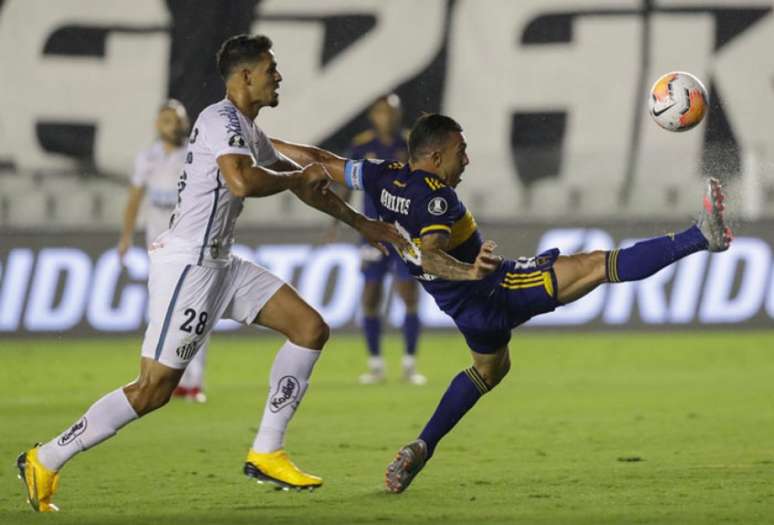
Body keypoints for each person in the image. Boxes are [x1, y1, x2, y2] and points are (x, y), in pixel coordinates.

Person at [16, 34, 402, 512]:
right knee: (153, 390)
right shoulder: (218, 119)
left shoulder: (248, 129)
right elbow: (242, 181)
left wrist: (364, 224)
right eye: (270, 69)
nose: (278, 76)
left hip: (221, 262)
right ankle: (45, 457)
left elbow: (303, 183)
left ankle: (267, 450)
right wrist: (295, 178)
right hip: (189, 266)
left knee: (309, 328)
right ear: (245, 76)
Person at [270, 113, 733, 494]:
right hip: (496, 289)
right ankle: (700, 236)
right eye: (459, 151)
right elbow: (431, 251)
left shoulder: (382, 176)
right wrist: (469, 270)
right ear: (434, 156)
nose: (466, 159)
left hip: (465, 312)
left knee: (490, 370)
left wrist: (255, 137)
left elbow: (316, 159)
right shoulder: (438, 202)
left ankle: (422, 446)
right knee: (595, 264)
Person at [118, 100, 209, 403]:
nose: (173, 125)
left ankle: (193, 381)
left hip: (191, 241)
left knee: (194, 307)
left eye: (177, 119)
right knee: (162, 308)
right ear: (159, 125)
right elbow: (134, 199)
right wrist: (126, 237)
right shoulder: (148, 158)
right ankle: (165, 377)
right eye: (167, 120)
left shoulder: (196, 154)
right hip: (158, 245)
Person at [332, 94, 425, 385]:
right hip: (373, 234)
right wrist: (336, 219)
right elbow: (346, 184)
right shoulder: (362, 146)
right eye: (382, 112)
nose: (387, 117)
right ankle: (375, 364)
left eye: (392, 112)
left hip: (406, 233)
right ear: (374, 116)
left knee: (408, 293)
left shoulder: (410, 144)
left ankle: (409, 364)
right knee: (370, 295)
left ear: (399, 115)